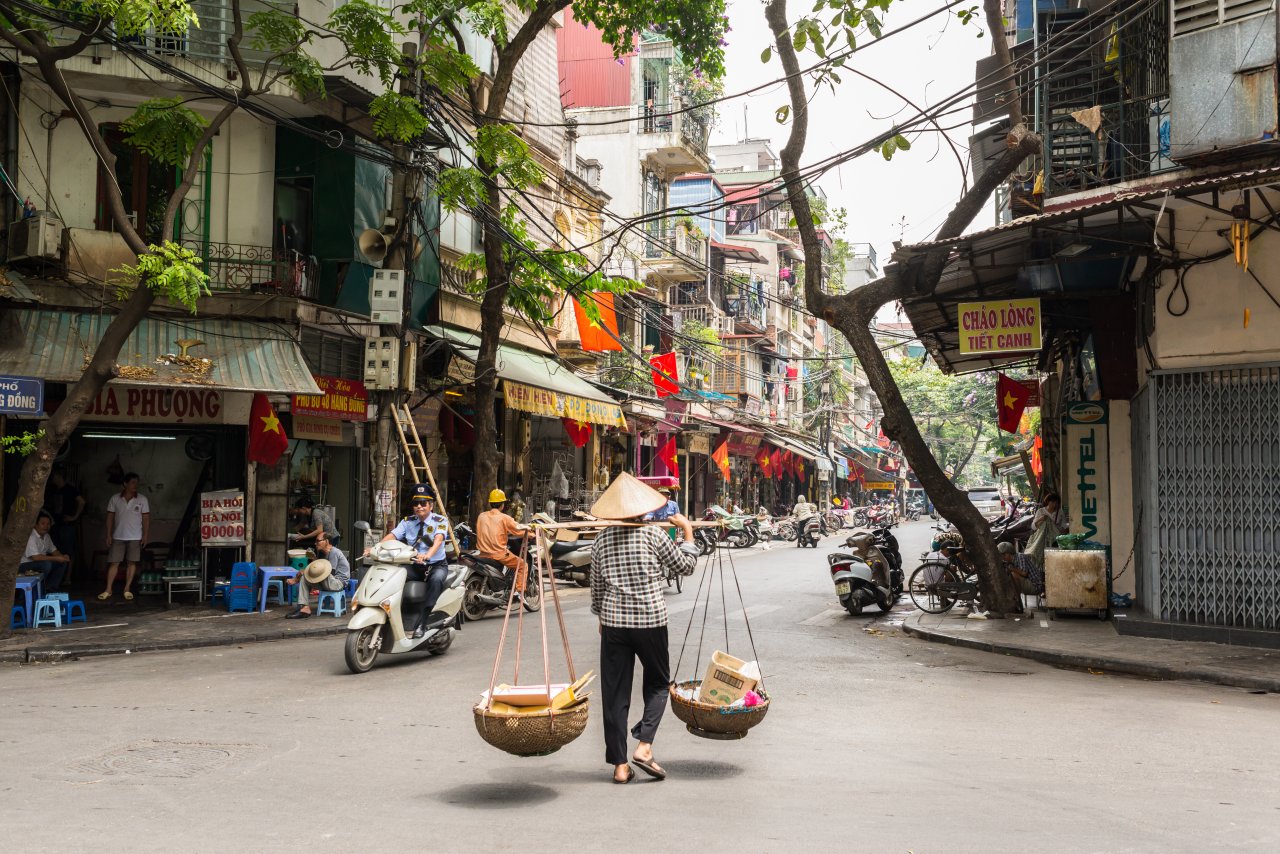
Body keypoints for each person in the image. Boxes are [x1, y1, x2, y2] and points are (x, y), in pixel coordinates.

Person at [589, 473, 698, 784]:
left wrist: (601, 615)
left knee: (614, 693)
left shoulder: (601, 540)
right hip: (650, 620)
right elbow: (686, 567)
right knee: (659, 684)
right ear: (643, 510)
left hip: (613, 624)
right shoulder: (653, 536)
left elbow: (596, 588)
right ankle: (645, 745)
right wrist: (688, 529)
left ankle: (620, 766)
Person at [372, 484, 450, 638]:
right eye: (416, 503)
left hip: (435, 566)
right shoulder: (407, 522)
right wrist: (375, 547)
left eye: (423, 503)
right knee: (392, 576)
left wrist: (428, 554)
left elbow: (438, 540)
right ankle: (391, 618)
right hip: (414, 566)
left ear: (431, 505)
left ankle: (423, 623)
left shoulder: (440, 520)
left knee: (436, 581)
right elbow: (393, 536)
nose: (419, 507)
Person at [100, 472, 149, 601]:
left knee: (131, 563)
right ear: (124, 484)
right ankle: (108, 589)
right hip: (118, 536)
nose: (135, 485)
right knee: (114, 563)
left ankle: (127, 589)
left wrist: (145, 535)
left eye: (137, 483)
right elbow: (110, 517)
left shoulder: (142, 499)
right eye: (133, 482)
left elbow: (146, 519)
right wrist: (109, 534)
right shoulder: (115, 498)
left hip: (135, 536)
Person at [285, 532, 351, 618]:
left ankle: (296, 580)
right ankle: (304, 608)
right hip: (329, 582)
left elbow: (330, 573)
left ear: (326, 541)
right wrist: (313, 560)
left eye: (318, 541)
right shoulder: (324, 554)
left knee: (307, 573)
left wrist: (306, 571)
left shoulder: (334, 552)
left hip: (337, 583)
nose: (315, 543)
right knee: (305, 578)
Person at [476, 488, 530, 582]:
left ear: (490, 503)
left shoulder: (481, 516)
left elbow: (493, 529)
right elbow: (518, 529)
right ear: (502, 505)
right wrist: (533, 533)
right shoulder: (504, 518)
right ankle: (518, 593)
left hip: (483, 553)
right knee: (523, 565)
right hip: (499, 554)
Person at [45, 466, 85, 579]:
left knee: (69, 551)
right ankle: (58, 577)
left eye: (53, 477)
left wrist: (74, 517)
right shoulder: (53, 490)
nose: (52, 479)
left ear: (58, 477)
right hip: (55, 524)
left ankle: (67, 577)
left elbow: (82, 502)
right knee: (56, 550)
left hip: (67, 525)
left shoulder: (70, 489)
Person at [20, 511, 71, 592]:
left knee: (62, 563)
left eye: (48, 524)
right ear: (35, 525)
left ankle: (50, 588)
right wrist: (56, 558)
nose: (46, 526)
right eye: (43, 523)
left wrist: (62, 557)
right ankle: (39, 590)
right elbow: (35, 558)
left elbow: (54, 551)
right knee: (46, 564)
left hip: (38, 563)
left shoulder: (46, 536)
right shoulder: (31, 536)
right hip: (24, 565)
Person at [998, 541, 1041, 613]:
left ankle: (1017, 602)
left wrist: (1012, 569)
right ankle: (1015, 601)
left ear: (1009, 553)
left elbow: (1024, 573)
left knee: (1013, 575)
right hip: (1027, 584)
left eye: (1004, 555)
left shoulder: (1020, 557)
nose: (1003, 557)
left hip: (1034, 585)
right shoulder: (1010, 562)